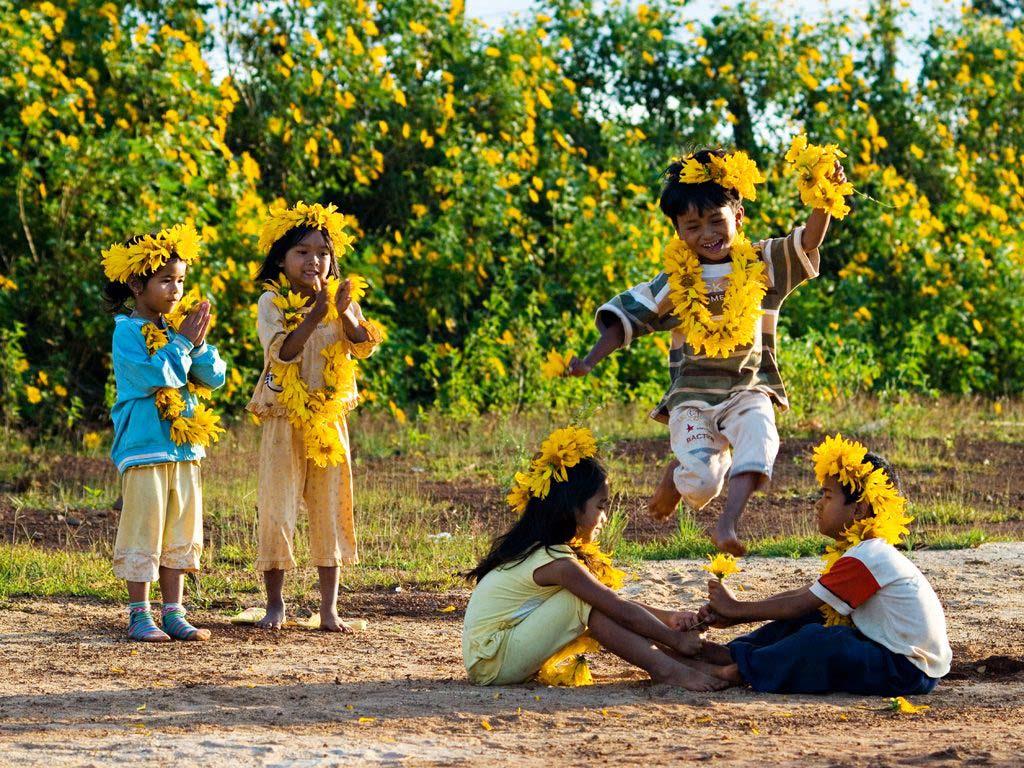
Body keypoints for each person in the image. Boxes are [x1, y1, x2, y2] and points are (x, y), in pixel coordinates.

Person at [568, 148, 847, 555]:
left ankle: (727, 525)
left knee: (761, 437)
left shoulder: (763, 263)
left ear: (738, 217)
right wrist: (590, 360)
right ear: (679, 232)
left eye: (716, 220)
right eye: (693, 226)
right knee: (703, 481)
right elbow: (625, 318)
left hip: (749, 387)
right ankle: (679, 472)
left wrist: (824, 194)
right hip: (692, 399)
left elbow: (807, 240)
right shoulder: (674, 281)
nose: (707, 234)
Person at [462, 426, 729, 690]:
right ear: (573, 509)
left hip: (494, 655)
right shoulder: (558, 563)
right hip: (492, 660)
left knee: (592, 601)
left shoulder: (545, 552)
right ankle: (667, 669)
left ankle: (695, 665)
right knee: (583, 602)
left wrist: (668, 618)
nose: (604, 517)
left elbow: (615, 605)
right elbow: (618, 608)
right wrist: (673, 638)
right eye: (600, 506)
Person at [693, 435, 951, 695]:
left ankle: (739, 668)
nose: (818, 504)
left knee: (822, 640)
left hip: (906, 669)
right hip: (890, 657)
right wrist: (735, 612)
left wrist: (737, 609)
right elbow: (805, 596)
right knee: (815, 616)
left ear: (859, 510)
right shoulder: (863, 552)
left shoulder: (868, 557)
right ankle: (732, 653)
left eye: (827, 496)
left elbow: (797, 603)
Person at [248, 201, 381, 632]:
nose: (313, 261)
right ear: (281, 260)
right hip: (283, 417)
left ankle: (329, 609)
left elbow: (363, 344)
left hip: (328, 420)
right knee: (277, 507)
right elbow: (282, 354)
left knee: (331, 508)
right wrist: (316, 315)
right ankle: (275, 605)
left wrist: (340, 310)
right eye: (302, 252)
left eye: (322, 252)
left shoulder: (342, 296)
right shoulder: (271, 302)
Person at [102, 225, 227, 642]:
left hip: (184, 447)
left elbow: (213, 378)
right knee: (144, 527)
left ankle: (173, 610)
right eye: (166, 280)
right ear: (138, 284)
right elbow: (156, 377)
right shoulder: (127, 332)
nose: (176, 290)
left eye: (181, 280)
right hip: (144, 449)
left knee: (180, 530)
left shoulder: (179, 332)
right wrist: (183, 345)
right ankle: (140, 613)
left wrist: (199, 344)